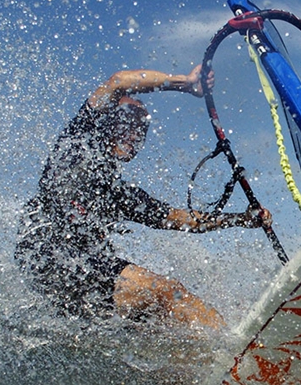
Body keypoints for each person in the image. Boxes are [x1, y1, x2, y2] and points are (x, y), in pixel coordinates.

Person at [16, 65, 270, 329]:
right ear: (107, 121)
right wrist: (184, 82)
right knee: (165, 292)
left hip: (84, 267)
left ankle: (224, 346)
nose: (135, 134)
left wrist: (241, 219)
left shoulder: (118, 194)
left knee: (155, 321)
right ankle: (231, 347)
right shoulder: (79, 142)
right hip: (48, 254)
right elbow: (117, 81)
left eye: (142, 130)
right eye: (128, 122)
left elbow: (179, 218)